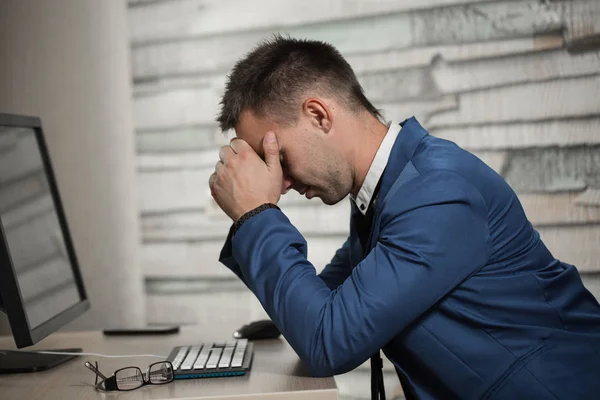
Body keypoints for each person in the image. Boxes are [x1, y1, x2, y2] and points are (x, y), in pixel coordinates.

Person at [208, 35, 600, 400]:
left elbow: (327, 341)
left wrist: (256, 213)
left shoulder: (437, 192)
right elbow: (320, 308)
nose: (283, 181)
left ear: (318, 115)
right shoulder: (384, 193)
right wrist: (254, 218)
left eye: (278, 156)